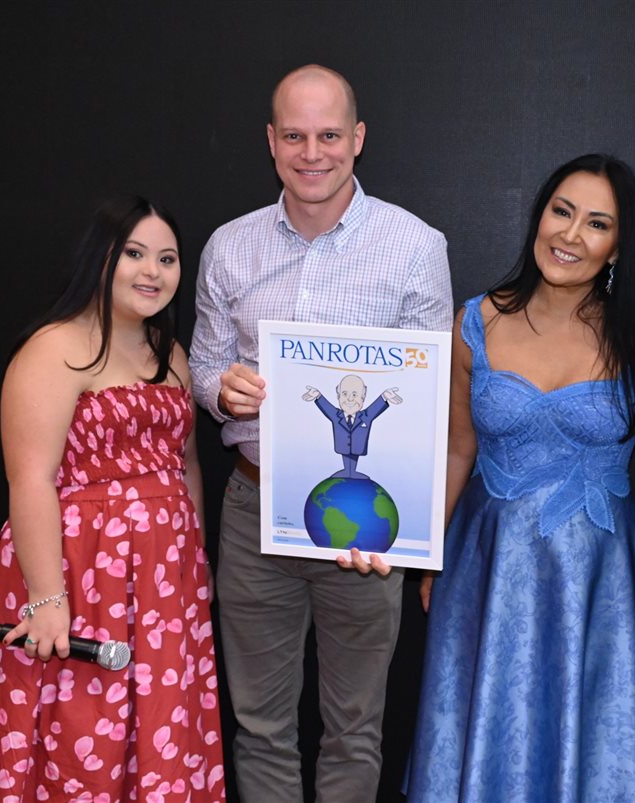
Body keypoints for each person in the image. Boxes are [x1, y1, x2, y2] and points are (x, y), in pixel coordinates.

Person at [406, 154, 635, 802]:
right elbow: (459, 449)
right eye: (562, 211)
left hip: (598, 579)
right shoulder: (476, 321)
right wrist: (425, 550)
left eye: (596, 223)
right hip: (487, 569)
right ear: (539, 215)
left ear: (617, 247)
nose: (571, 235)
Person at [188, 64, 452, 802]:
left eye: (329, 134)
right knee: (260, 725)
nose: (313, 153)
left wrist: (402, 532)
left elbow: (426, 397)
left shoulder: (413, 245)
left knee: (355, 727)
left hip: (363, 523)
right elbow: (206, 363)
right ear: (271, 143)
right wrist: (219, 388)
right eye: (296, 136)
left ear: (357, 139)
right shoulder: (229, 247)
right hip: (253, 513)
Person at [0, 196, 226, 801]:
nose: (152, 271)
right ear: (99, 258)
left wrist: (193, 567)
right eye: (134, 253)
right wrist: (48, 598)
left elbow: (188, 466)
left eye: (168, 258)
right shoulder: (54, 348)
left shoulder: (169, 353)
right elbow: (30, 481)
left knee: (158, 732)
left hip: (162, 588)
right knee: (77, 736)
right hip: (78, 575)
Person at [303, 375, 402, 478]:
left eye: (355, 395)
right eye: (344, 394)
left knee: (354, 455)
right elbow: (327, 408)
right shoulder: (336, 416)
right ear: (338, 396)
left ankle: (352, 472)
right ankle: (347, 471)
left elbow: (374, 409)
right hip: (343, 447)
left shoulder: (365, 416)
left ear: (363, 398)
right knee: (346, 455)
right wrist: (318, 396)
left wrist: (384, 397)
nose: (350, 399)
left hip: (357, 447)